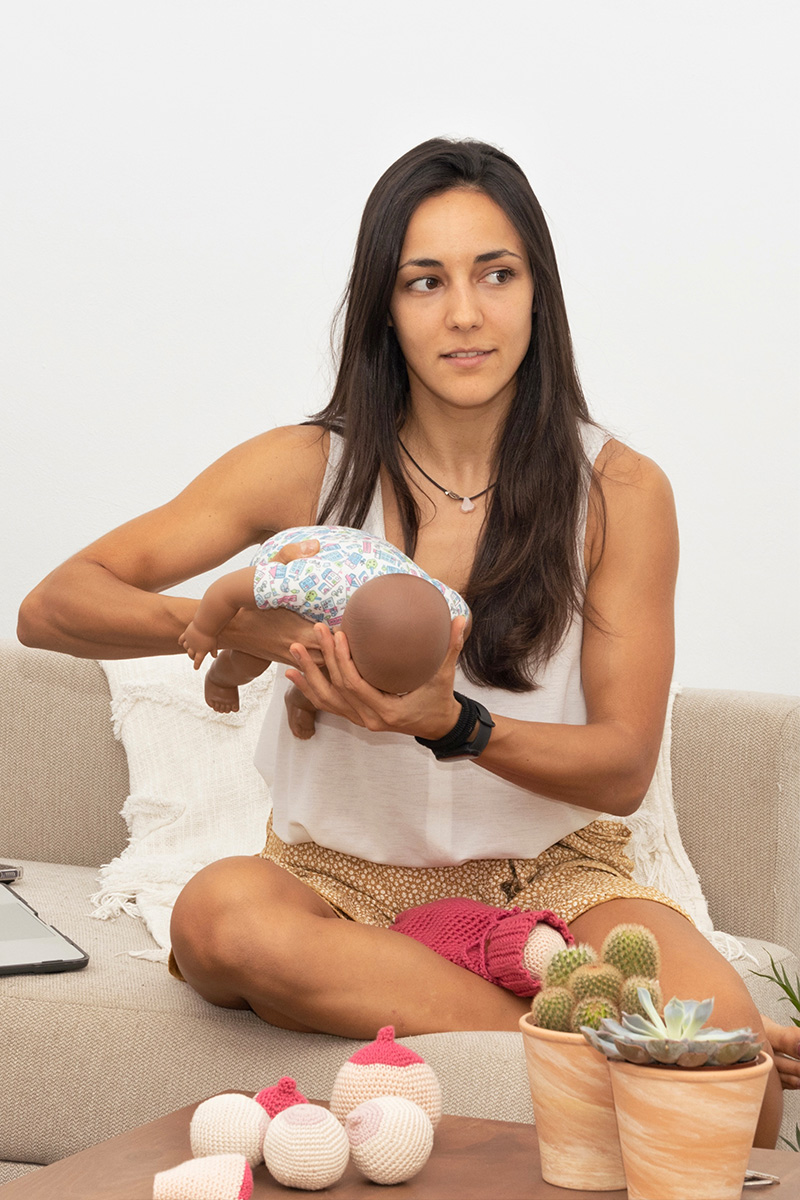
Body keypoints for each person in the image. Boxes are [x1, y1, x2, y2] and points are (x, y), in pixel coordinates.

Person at [17, 137, 799, 1146]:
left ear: (536, 295)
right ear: (385, 308)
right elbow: (54, 603)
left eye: (494, 275)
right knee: (220, 922)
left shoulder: (618, 489)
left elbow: (616, 768)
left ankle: (567, 1030)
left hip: (556, 880)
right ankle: (582, 1043)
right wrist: (233, 625)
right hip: (336, 885)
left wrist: (454, 725)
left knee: (743, 1097)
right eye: (424, 282)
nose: (464, 314)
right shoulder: (308, 467)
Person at [178, 524, 471, 714]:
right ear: (342, 631)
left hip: (360, 557)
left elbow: (464, 624)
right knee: (253, 657)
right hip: (300, 554)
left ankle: (302, 701)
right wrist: (204, 629)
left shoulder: (449, 609)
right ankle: (221, 678)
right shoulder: (308, 586)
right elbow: (227, 590)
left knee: (342, 681)